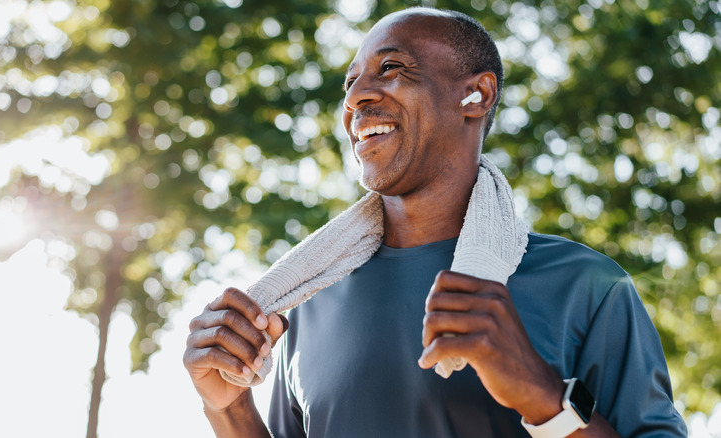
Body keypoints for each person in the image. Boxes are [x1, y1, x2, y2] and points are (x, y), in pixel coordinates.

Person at [183, 7, 687, 437]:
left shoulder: (587, 287)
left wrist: (545, 399)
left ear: (476, 97)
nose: (356, 96)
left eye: (393, 68)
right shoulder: (307, 300)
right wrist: (229, 410)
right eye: (351, 81)